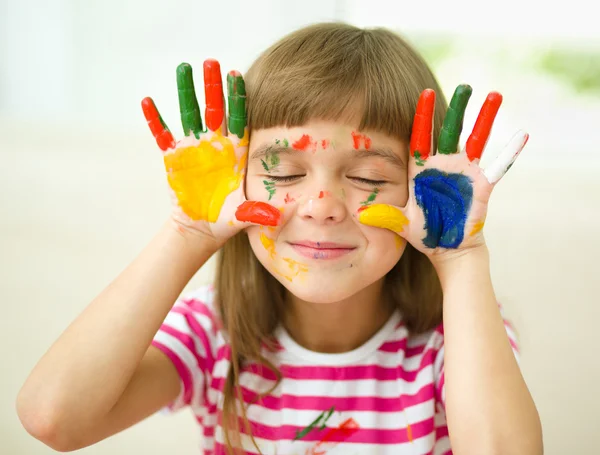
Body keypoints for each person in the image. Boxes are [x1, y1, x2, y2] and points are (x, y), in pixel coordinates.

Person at [16, 22, 542, 455]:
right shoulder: (212, 333)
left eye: (368, 178)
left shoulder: (457, 337)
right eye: (285, 174)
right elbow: (54, 418)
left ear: (423, 192)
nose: (320, 207)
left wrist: (461, 257)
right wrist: (189, 231)